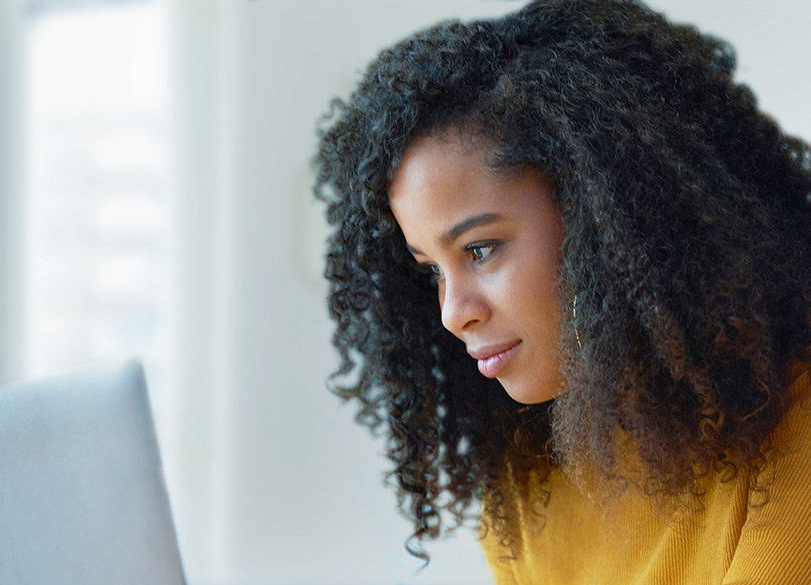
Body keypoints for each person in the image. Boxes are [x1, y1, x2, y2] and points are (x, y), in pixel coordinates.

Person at [312, 0, 811, 583]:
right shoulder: (530, 477)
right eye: (432, 271)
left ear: (608, 215)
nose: (453, 313)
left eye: (480, 250)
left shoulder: (791, 437)